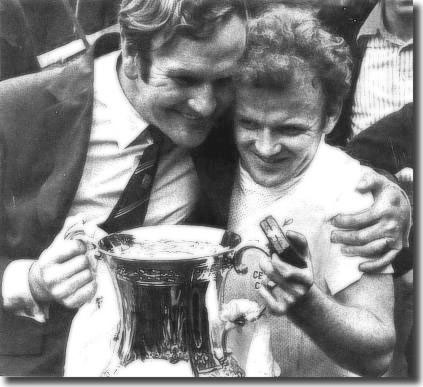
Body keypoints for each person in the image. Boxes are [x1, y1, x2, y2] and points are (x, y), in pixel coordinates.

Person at [0, 0, 410, 377]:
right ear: (130, 51)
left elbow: (306, 141)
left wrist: (394, 195)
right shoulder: (15, 112)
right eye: (183, 79)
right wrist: (31, 280)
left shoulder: (237, 122)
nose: (205, 106)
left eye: (223, 81)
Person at [205, 4, 398, 377]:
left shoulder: (348, 193)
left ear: (331, 114)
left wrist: (307, 304)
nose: (265, 147)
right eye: (248, 123)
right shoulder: (210, 159)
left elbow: (378, 353)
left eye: (290, 130)